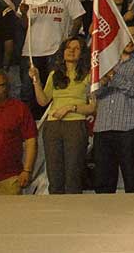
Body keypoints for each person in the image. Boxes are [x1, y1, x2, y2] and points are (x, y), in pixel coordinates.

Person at [29, 36, 94, 194]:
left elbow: (92, 107)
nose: (71, 51)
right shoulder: (54, 75)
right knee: (54, 175)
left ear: (82, 53)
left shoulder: (89, 75)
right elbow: (43, 101)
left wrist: (70, 108)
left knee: (73, 175)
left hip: (75, 124)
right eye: (68, 48)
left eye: (76, 48)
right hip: (53, 125)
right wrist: (36, 80)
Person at [93, 22, 134, 194]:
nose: (130, 40)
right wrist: (102, 82)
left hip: (129, 128)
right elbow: (95, 92)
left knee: (132, 180)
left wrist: (111, 76)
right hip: (103, 127)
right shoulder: (105, 58)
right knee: (103, 182)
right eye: (127, 36)